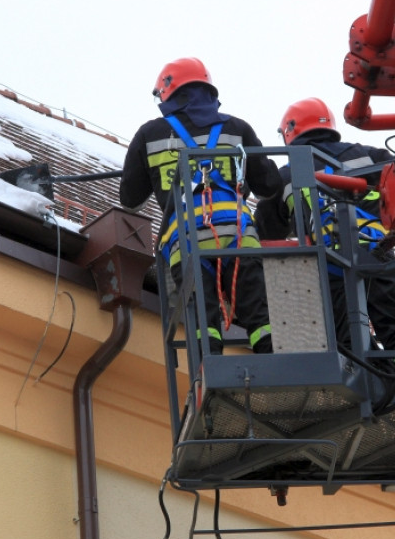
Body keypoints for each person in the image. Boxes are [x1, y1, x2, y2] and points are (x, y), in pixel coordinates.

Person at [120, 57, 283, 354]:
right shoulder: (237, 129)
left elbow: (130, 200)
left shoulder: (149, 135)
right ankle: (272, 361)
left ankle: (208, 367)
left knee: (204, 323)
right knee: (260, 317)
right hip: (238, 238)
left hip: (186, 242)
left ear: (166, 92)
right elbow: (269, 186)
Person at [254, 97, 395, 360]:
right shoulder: (369, 156)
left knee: (349, 346)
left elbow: (266, 232)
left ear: (290, 131)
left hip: (330, 266)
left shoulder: (285, 176)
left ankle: (378, 375)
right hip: (379, 256)